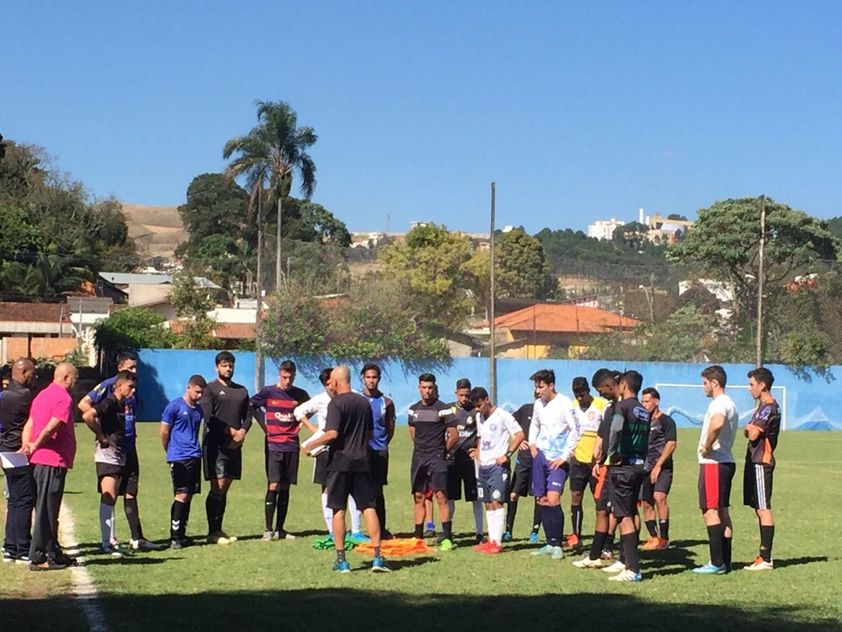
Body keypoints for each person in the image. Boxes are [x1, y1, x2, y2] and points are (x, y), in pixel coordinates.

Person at [303, 366, 390, 573]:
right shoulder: (364, 403)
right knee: (369, 508)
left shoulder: (336, 404)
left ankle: (341, 561)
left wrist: (310, 445)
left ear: (338, 381)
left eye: (331, 381)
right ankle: (377, 557)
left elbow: (332, 433)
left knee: (338, 510)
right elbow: (370, 435)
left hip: (340, 464)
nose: (330, 385)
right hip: (362, 462)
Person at [79, 351, 159, 551]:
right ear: (120, 368)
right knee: (110, 493)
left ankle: (136, 538)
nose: (134, 371)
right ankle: (109, 540)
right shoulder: (109, 387)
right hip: (111, 448)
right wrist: (101, 434)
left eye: (135, 367)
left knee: (131, 492)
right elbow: (84, 406)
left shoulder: (132, 388)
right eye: (130, 367)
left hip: (128, 446)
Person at [296, 367, 365, 541]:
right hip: (326, 450)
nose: (329, 387)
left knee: (353, 491)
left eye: (331, 383)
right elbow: (299, 411)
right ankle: (332, 531)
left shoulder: (353, 397)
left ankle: (356, 530)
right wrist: (313, 429)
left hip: (348, 450)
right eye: (326, 385)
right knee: (328, 489)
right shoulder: (320, 400)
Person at [22, 362, 78, 571]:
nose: (75, 382)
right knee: (46, 509)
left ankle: (53, 552)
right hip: (51, 460)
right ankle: (37, 556)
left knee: (48, 508)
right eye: (75, 378)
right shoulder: (63, 397)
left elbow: (30, 423)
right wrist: (35, 443)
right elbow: (54, 423)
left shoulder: (42, 395)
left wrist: (27, 444)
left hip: (40, 460)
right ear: (65, 377)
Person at [250, 360, 310, 541]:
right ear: (279, 374)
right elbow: (251, 405)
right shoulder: (269, 392)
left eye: (291, 377)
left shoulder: (300, 394)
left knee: (285, 485)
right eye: (285, 377)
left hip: (291, 445)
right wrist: (264, 425)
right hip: (274, 444)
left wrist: (301, 424)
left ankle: (280, 528)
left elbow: (311, 408)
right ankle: (268, 529)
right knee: (273, 484)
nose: (287, 381)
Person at [81, 370, 138, 557]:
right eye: (130, 387)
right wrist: (101, 436)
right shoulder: (110, 402)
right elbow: (88, 415)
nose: (133, 391)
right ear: (119, 385)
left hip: (117, 455)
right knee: (109, 496)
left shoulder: (121, 404)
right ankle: (106, 543)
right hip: (107, 456)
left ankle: (111, 541)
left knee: (112, 497)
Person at [572, 368, 622, 570]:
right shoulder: (611, 408)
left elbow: (613, 435)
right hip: (598, 464)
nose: (600, 393)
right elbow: (603, 436)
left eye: (601, 389)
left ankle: (615, 552)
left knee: (618, 510)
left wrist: (601, 460)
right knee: (602, 508)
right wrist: (597, 460)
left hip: (618, 467)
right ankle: (595, 553)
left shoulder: (614, 407)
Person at [602, 370, 650, 582]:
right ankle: (627, 562)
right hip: (639, 466)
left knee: (624, 516)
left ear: (623, 385)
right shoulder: (643, 410)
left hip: (623, 468)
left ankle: (633, 569)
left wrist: (611, 453)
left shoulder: (622, 406)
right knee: (630, 511)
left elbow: (615, 429)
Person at [527, 369, 580, 560]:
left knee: (553, 498)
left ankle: (558, 544)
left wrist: (565, 456)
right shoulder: (538, 405)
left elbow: (576, 429)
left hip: (557, 459)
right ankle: (549, 543)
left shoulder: (565, 403)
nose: (538, 391)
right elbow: (535, 425)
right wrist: (532, 443)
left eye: (541, 387)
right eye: (536, 387)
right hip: (540, 456)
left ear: (551, 386)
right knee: (541, 499)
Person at [201, 351, 251, 545]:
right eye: (224, 365)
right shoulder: (209, 389)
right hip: (215, 445)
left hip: (235, 445)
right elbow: (209, 418)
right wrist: (232, 432)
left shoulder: (241, 391)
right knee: (218, 486)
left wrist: (242, 433)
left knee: (226, 487)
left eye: (230, 365)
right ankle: (212, 531)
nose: (228, 368)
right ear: (216, 367)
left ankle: (218, 529)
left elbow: (248, 416)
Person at [693, 365, 739, 575]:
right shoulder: (731, 402)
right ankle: (725, 561)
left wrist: (708, 445)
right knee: (723, 511)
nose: (703, 387)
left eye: (704, 383)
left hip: (714, 463)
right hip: (726, 462)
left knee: (710, 510)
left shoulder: (719, 403)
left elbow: (717, 423)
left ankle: (716, 562)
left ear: (714, 383)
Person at [470, 387, 524, 554]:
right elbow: (481, 437)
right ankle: (491, 540)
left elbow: (520, 434)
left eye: (479, 405)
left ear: (487, 399)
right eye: (475, 407)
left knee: (496, 501)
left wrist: (507, 455)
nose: (477, 410)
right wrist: (478, 451)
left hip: (497, 467)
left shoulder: (503, 415)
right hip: (483, 466)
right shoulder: (479, 417)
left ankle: (497, 543)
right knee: (487, 503)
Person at [409, 373, 457, 550]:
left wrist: (440, 450)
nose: (427, 391)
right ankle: (418, 536)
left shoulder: (443, 409)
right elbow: (412, 431)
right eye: (423, 387)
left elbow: (454, 436)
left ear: (434, 388)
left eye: (430, 387)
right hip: (419, 458)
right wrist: (422, 448)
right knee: (419, 496)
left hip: (437, 458)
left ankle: (447, 537)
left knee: (440, 496)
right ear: (419, 388)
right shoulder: (413, 409)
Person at [161, 374, 206, 549]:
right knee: (181, 494)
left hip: (195, 456)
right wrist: (170, 451)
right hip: (179, 457)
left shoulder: (198, 410)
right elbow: (164, 431)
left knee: (190, 495)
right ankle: (174, 536)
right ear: (189, 387)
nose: (200, 395)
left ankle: (182, 534)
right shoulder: (174, 407)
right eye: (197, 392)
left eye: (202, 393)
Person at [743, 367, 780, 571]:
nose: (750, 389)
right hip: (757, 461)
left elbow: (754, 433)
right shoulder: (764, 406)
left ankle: (766, 557)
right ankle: (763, 556)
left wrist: (749, 428)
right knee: (759, 507)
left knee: (764, 508)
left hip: (761, 461)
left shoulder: (767, 407)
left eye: (751, 384)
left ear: (762, 385)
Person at [0, 358, 37, 564]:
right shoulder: (26, 397)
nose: (35, 377)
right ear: (23, 373)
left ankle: (9, 546)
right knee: (24, 501)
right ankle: (22, 547)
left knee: (14, 500)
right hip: (19, 451)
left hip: (5, 450)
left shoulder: (3, 395)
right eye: (32, 373)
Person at [567, 376, 608, 550]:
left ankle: (604, 539)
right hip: (577, 460)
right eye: (576, 394)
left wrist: (600, 458)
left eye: (581, 394)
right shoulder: (572, 407)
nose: (579, 398)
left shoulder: (601, 405)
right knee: (576, 497)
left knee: (599, 500)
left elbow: (606, 432)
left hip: (596, 462)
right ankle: (576, 535)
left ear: (588, 391)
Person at [445, 378, 485, 544]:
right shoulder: (449, 410)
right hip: (452, 459)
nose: (464, 399)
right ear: (456, 393)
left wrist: (478, 449)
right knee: (450, 497)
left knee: (476, 497)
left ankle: (480, 532)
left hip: (470, 461)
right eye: (461, 395)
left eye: (467, 395)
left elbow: (482, 434)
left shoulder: (476, 411)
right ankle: (448, 531)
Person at [360, 363, 396, 539]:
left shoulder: (387, 402)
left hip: (379, 451)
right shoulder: (357, 399)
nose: (371, 380)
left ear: (379, 379)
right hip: (360, 452)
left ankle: (381, 529)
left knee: (378, 490)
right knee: (360, 489)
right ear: (363, 378)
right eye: (368, 377)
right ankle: (360, 529)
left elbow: (390, 428)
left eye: (374, 377)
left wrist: (381, 444)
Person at [639, 387, 677, 551]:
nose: (644, 404)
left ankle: (664, 538)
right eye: (643, 401)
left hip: (663, 467)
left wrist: (658, 465)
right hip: (644, 468)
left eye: (647, 401)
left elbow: (671, 444)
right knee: (646, 503)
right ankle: (653, 537)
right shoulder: (641, 422)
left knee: (659, 497)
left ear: (657, 401)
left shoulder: (666, 421)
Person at [503, 390, 542, 544]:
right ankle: (508, 531)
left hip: (540, 459)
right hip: (524, 459)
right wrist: (518, 440)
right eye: (537, 397)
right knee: (513, 494)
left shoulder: (549, 413)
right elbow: (509, 425)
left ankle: (534, 532)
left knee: (538, 497)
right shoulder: (526, 409)